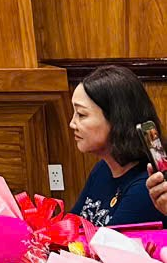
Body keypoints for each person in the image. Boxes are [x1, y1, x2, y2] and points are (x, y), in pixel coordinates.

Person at [70, 65, 166, 228]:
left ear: (116, 119)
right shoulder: (102, 169)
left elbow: (107, 242)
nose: (72, 123)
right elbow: (71, 225)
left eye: (81, 114)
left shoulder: (144, 187)